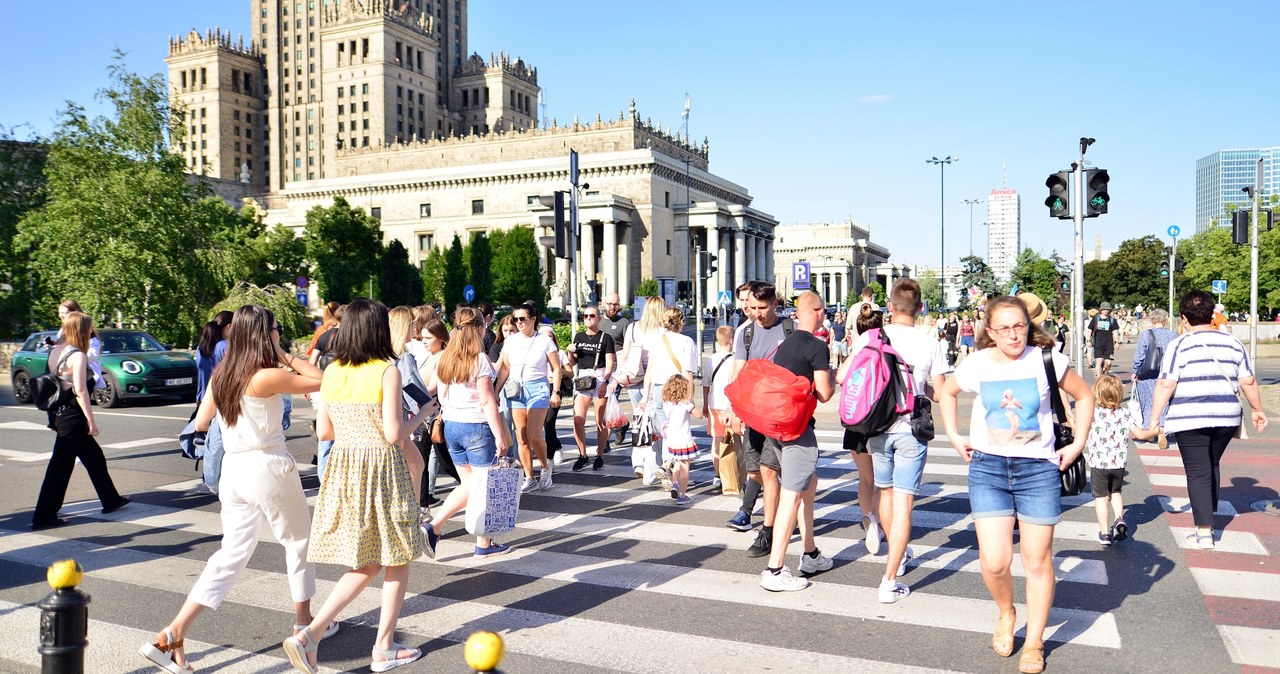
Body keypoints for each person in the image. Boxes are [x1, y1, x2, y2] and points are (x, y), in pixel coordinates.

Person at [140, 306, 328, 674]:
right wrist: (283, 354)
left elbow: (202, 419)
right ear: (264, 333)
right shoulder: (265, 376)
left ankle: (172, 633)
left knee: (230, 554)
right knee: (298, 542)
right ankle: (302, 627)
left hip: (234, 470)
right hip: (267, 464)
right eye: (275, 329)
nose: (279, 333)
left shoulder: (223, 374)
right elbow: (321, 378)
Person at [939, 295, 1094, 674]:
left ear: (1029, 325)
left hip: (1038, 470)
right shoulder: (977, 364)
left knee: (1037, 561)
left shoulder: (1047, 360)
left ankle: (1035, 641)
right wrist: (955, 436)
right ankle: (1007, 612)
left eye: (1019, 326)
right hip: (988, 469)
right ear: (990, 332)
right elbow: (946, 391)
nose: (1013, 334)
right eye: (1004, 328)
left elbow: (1085, 395)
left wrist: (1078, 443)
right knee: (994, 562)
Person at [283, 299, 432, 674]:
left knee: (367, 558)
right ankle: (381, 647)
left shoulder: (332, 371)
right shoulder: (387, 371)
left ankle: (313, 634)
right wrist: (426, 412)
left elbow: (324, 431)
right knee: (396, 556)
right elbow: (395, 435)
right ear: (378, 329)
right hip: (382, 468)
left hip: (345, 467)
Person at [849, 279, 950, 603]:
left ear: (889, 307)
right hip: (911, 430)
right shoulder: (929, 342)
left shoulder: (870, 337)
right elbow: (941, 391)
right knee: (904, 503)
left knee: (886, 494)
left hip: (877, 428)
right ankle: (889, 580)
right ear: (920, 308)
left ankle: (898, 554)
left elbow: (850, 376)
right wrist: (953, 429)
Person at [1146, 290, 1268, 550]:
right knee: (1211, 464)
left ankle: (1204, 531)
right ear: (1212, 315)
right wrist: (1257, 409)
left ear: (1183, 318)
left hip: (1190, 416)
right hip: (1226, 416)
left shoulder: (1179, 344)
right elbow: (1247, 380)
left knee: (1198, 471)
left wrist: (1154, 419)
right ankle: (1208, 514)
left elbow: (1166, 383)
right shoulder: (1233, 343)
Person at [759, 291, 836, 592]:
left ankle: (810, 553)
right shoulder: (818, 347)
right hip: (799, 433)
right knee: (791, 497)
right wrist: (834, 373)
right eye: (824, 311)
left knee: (807, 488)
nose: (825, 315)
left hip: (778, 427)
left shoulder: (785, 344)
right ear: (816, 312)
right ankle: (775, 570)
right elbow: (825, 393)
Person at [422, 307, 513, 559]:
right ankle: (437, 528)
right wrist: (499, 435)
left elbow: (431, 389)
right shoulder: (479, 359)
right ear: (480, 329)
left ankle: (478, 539)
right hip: (476, 426)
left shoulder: (445, 358)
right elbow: (487, 401)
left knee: (471, 484)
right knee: (480, 485)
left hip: (451, 425)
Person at [31, 311, 131, 530]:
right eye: (89, 328)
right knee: (60, 467)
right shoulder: (77, 355)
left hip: (62, 414)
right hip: (74, 417)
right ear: (82, 330)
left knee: (94, 458)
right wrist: (91, 421)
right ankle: (44, 516)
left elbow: (55, 385)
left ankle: (111, 499)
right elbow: (81, 391)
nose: (91, 332)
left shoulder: (56, 350)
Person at [725, 282, 793, 560]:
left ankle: (769, 528)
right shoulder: (747, 333)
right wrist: (733, 408)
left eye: (762, 308)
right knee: (755, 471)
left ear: (775, 303)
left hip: (779, 413)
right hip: (752, 413)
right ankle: (778, 513)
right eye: (752, 307)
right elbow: (738, 374)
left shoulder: (790, 329)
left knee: (768, 470)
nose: (756, 313)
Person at [493, 303, 563, 493]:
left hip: (538, 387)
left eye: (522, 318)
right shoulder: (511, 341)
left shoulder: (544, 341)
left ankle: (545, 468)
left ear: (533, 319)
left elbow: (556, 368)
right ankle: (529, 476)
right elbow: (505, 368)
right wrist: (496, 391)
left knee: (533, 434)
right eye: (516, 319)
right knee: (520, 436)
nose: (519, 322)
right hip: (515, 389)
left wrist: (556, 391)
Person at [836, 303, 886, 554]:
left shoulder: (858, 349)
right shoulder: (886, 346)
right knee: (884, 480)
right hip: (880, 421)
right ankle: (878, 520)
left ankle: (869, 522)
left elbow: (840, 378)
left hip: (857, 420)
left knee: (866, 479)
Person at [1085, 374, 1157, 546]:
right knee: (1116, 493)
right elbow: (1140, 434)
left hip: (1099, 464)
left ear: (1097, 394)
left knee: (1101, 498)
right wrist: (1153, 432)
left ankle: (1104, 533)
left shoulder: (1093, 414)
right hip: (1118, 463)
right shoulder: (1125, 414)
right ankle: (1119, 518)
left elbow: (1078, 427)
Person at [637, 308, 697, 494]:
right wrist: (690, 399)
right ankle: (669, 467)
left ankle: (667, 467)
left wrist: (645, 397)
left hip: (658, 390)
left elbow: (650, 371)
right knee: (678, 432)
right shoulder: (687, 341)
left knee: (666, 433)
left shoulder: (657, 341)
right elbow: (688, 373)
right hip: (677, 389)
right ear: (681, 322)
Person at [616, 296, 669, 482]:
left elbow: (625, 356)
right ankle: (653, 467)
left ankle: (638, 462)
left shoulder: (633, 328)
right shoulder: (664, 331)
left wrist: (619, 375)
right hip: (656, 379)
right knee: (655, 424)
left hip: (634, 377)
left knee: (639, 421)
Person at [388, 306, 434, 506]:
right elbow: (412, 387)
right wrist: (428, 412)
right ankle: (412, 511)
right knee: (414, 466)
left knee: (412, 464)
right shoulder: (404, 356)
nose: (415, 327)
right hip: (402, 417)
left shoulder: (386, 354)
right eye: (412, 324)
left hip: (389, 416)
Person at [568, 305, 615, 471]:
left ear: (599, 318)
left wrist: (605, 383)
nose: (588, 318)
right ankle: (583, 455)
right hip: (583, 379)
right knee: (578, 420)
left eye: (592, 316)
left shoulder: (606, 338)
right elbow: (573, 362)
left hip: (600, 378)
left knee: (599, 422)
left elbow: (610, 365)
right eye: (585, 316)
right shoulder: (579, 337)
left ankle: (600, 455)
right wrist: (570, 352)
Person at [414, 318, 453, 508]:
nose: (424, 341)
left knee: (446, 461)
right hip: (424, 413)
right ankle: (422, 503)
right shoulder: (430, 356)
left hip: (435, 415)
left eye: (428, 337)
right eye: (422, 338)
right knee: (421, 458)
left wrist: (408, 395)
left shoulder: (443, 357)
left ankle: (472, 487)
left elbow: (432, 387)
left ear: (440, 338)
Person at [308, 304, 344, 481]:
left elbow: (312, 360)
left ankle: (323, 478)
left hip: (325, 387)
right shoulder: (350, 337)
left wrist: (311, 385)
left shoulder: (324, 335)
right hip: (344, 389)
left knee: (325, 436)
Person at [1132, 309, 1178, 435]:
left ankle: (1150, 430)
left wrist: (1135, 370)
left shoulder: (1146, 334)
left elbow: (1140, 354)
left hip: (1148, 373)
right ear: (1165, 320)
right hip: (1167, 373)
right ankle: (1162, 426)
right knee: (1164, 399)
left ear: (1152, 320)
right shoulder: (1173, 335)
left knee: (1147, 400)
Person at [659, 373, 701, 505]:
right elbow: (699, 415)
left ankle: (675, 484)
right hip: (684, 438)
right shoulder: (685, 404)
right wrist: (691, 401)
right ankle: (682, 494)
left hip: (672, 439)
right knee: (685, 466)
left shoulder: (667, 403)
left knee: (677, 463)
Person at [701, 326, 735, 491]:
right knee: (732, 441)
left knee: (717, 442)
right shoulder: (735, 360)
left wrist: (705, 405)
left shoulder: (712, 359)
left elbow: (706, 384)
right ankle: (731, 473)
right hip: (730, 406)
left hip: (714, 405)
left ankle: (717, 476)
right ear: (732, 341)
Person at [598, 293, 631, 443]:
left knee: (610, 401)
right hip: (600, 368)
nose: (612, 307)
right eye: (610, 304)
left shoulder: (624, 323)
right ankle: (622, 425)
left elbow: (627, 348)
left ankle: (604, 443)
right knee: (604, 404)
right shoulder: (598, 322)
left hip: (616, 369)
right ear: (604, 304)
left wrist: (620, 374)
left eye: (615, 304)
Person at [1088, 302, 1118, 377]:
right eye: (1104, 309)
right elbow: (1089, 330)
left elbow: (1115, 331)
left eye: (1107, 309)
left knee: (1109, 363)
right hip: (1098, 343)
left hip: (1109, 345)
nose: (1106, 311)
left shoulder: (1112, 320)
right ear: (1100, 310)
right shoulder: (1096, 318)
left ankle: (1105, 372)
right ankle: (1099, 379)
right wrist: (1088, 340)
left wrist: (1117, 342)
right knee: (1099, 361)